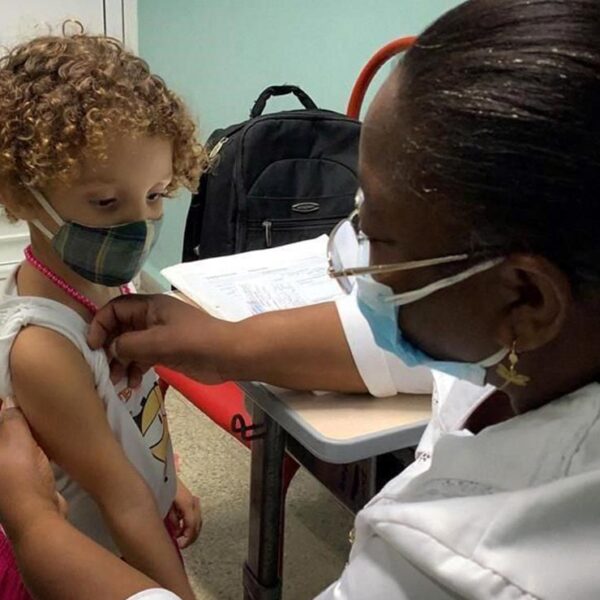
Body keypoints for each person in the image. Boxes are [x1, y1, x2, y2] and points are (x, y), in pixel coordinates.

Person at [86, 0, 600, 598]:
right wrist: (225, 343)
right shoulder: (547, 334)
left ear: (527, 299)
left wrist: (31, 520)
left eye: (377, 232)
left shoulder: (482, 570)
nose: (349, 253)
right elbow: (401, 350)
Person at [0, 34, 204, 599]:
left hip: (133, 519)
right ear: (20, 195)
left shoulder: (107, 280)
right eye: (107, 203)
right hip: (89, 560)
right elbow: (121, 500)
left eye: (156, 195)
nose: (138, 225)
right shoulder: (43, 347)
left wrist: (168, 480)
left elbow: (127, 419)